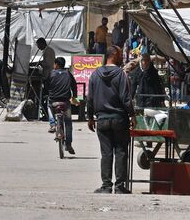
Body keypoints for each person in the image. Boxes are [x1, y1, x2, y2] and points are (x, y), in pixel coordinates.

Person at [86, 46, 134, 194]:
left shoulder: (95, 75)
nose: (121, 57)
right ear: (113, 55)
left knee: (106, 153)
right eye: (119, 54)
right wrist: (132, 115)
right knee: (120, 152)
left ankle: (106, 186)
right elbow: (126, 98)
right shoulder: (121, 74)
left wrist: (90, 117)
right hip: (119, 118)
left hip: (102, 119)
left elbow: (90, 98)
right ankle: (119, 187)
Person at [46, 57, 78, 155]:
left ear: (56, 64)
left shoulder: (51, 73)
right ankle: (68, 144)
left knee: (48, 106)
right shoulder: (68, 73)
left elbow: (46, 86)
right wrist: (74, 96)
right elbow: (74, 86)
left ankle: (52, 124)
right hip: (65, 101)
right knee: (68, 123)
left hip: (53, 100)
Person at [36, 37, 57, 133]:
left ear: (42, 44)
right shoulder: (48, 50)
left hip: (48, 76)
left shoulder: (48, 51)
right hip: (48, 75)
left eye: (38, 45)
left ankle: (47, 114)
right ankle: (47, 113)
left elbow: (48, 64)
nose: (38, 47)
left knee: (45, 97)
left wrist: (40, 63)